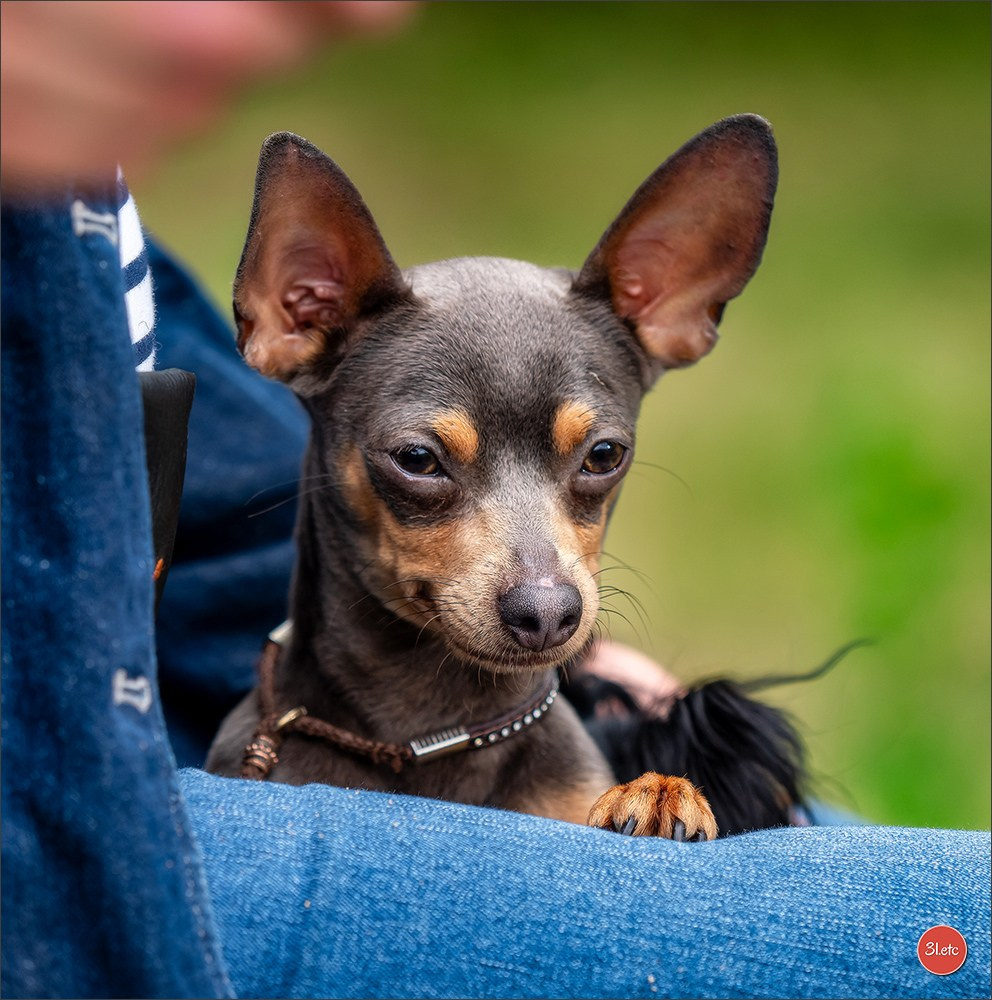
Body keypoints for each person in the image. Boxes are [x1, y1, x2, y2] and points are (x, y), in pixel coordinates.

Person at [2, 4, 988, 998]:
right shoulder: (252, 761)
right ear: (296, 311)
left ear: (673, 312)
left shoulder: (59, 205)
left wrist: (605, 684)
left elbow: (218, 464)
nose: (541, 588)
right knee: (959, 933)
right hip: (99, 859)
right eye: (426, 465)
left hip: (502, 738)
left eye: (593, 460)